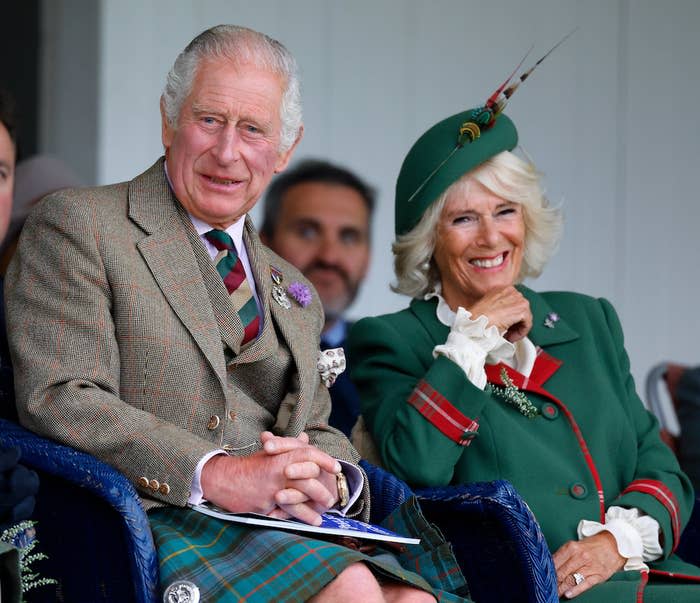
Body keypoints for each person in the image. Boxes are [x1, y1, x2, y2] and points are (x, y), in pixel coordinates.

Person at [5, 25, 468, 602]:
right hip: (159, 519)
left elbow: (319, 426)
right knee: (352, 589)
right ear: (168, 120)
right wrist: (219, 473)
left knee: (415, 599)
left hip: (291, 528)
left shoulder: (293, 286)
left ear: (285, 148)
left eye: (252, 129)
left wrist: (330, 478)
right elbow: (62, 396)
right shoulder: (82, 226)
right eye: (209, 121)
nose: (228, 152)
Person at [348, 89, 700, 600]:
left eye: (506, 211)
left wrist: (614, 543)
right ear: (430, 240)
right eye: (464, 219)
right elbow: (416, 470)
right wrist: (474, 339)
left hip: (638, 578)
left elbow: (660, 466)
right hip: (515, 590)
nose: (491, 238)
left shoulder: (589, 319)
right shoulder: (394, 340)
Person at [260, 159, 373, 436]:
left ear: (368, 257)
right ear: (261, 244)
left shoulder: (388, 360)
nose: (329, 256)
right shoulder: (232, 344)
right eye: (307, 232)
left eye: (348, 237)